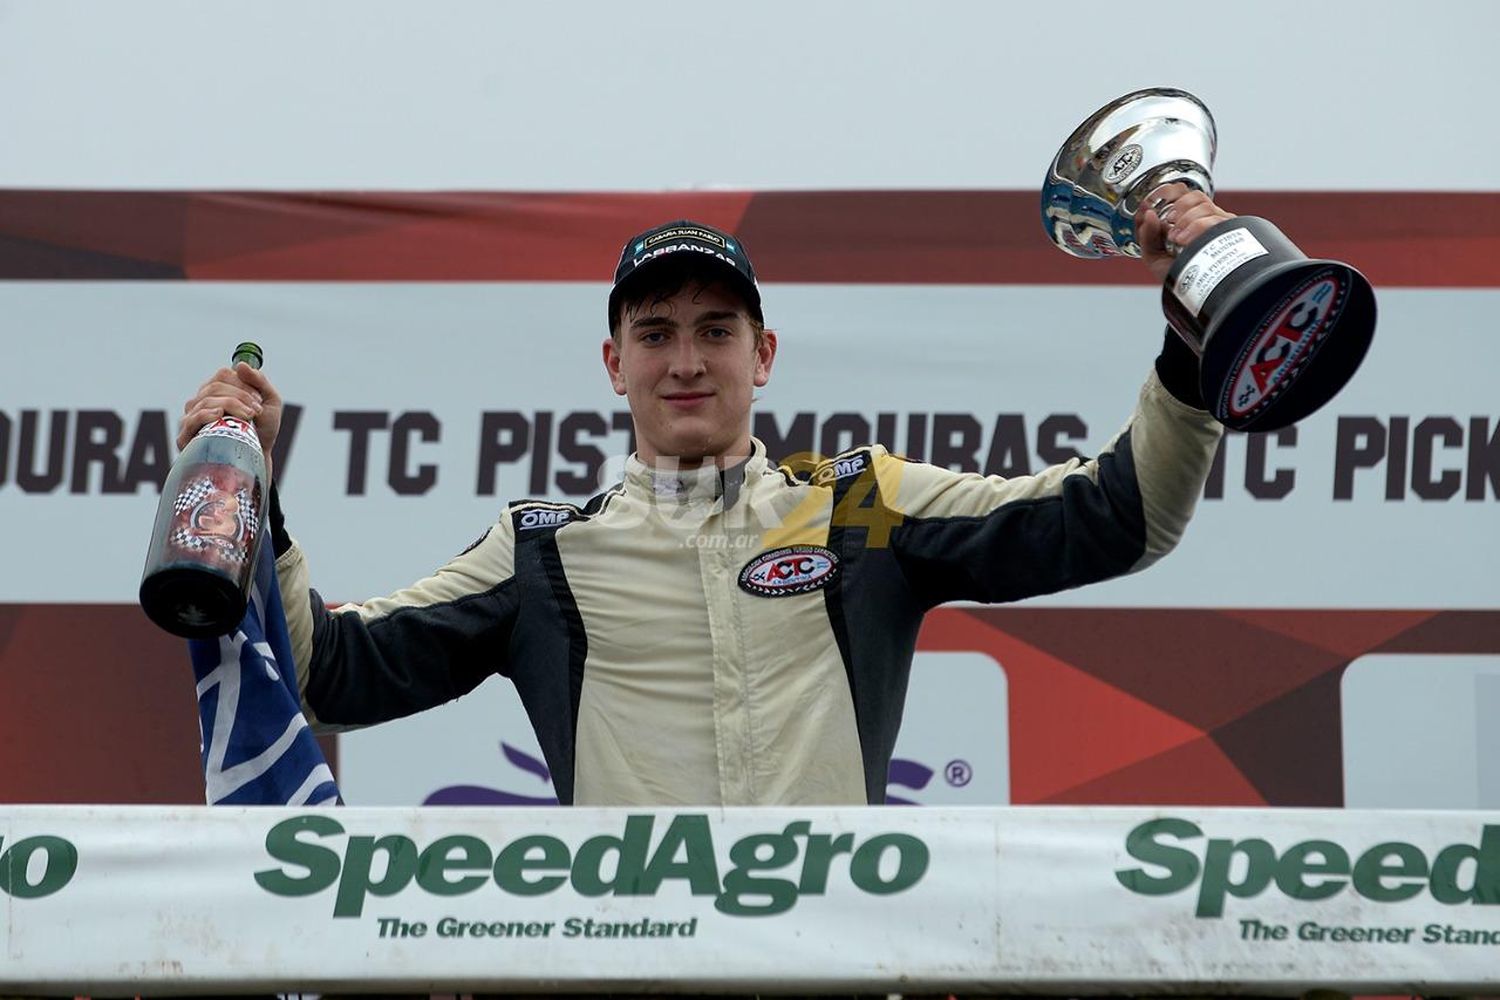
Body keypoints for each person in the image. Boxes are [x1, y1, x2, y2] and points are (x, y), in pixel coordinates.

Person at [178, 185, 1230, 807]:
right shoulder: (542, 549)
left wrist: (1195, 327)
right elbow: (331, 673)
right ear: (613, 361)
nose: (687, 361)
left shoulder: (863, 506)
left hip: (840, 971)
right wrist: (252, 501)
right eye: (656, 332)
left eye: (716, 330)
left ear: (762, 354)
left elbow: (1117, 518)